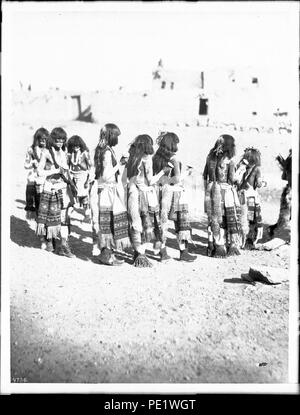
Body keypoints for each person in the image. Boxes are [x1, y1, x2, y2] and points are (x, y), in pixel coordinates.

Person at [90, 123, 130, 265]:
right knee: (108, 223)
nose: (118, 139)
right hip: (107, 191)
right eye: (117, 136)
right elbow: (106, 176)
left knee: (107, 222)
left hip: (105, 190)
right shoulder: (106, 152)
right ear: (111, 136)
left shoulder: (104, 149)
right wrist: (120, 163)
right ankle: (106, 256)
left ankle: (107, 254)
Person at [152, 132, 196, 262]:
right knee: (182, 225)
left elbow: (158, 177)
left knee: (161, 224)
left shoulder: (156, 157)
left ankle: (163, 252)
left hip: (161, 193)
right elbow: (176, 178)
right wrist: (187, 173)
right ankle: (184, 253)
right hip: (175, 194)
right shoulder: (174, 159)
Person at [126, 134, 169, 267]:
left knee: (136, 224)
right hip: (146, 195)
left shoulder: (132, 157)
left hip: (133, 193)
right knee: (149, 225)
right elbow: (150, 180)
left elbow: (128, 180)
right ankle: (145, 254)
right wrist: (163, 172)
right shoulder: (147, 159)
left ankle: (138, 252)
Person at [36, 127, 77, 257]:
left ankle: (64, 246)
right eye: (57, 140)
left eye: (62, 140)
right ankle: (49, 240)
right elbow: (39, 171)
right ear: (52, 140)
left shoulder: (65, 152)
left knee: (65, 218)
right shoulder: (46, 152)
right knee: (50, 217)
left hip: (63, 188)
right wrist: (54, 171)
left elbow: (67, 170)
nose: (60, 143)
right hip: (50, 187)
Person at [203, 134, 241, 258]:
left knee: (214, 219)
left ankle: (215, 246)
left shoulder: (210, 158)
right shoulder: (229, 162)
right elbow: (231, 179)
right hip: (225, 193)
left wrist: (208, 190)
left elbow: (205, 176)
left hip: (211, 190)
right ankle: (227, 247)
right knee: (225, 219)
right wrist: (240, 172)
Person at [235, 147, 266, 249]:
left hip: (245, 196)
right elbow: (258, 183)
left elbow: (258, 183)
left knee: (245, 219)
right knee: (247, 219)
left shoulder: (248, 168)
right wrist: (264, 183)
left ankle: (244, 241)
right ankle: (245, 241)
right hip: (247, 196)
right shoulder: (251, 168)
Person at [24, 127, 50, 220]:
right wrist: (32, 163)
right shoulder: (30, 149)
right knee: (32, 194)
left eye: (45, 139)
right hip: (34, 177)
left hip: (44, 178)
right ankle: (33, 212)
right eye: (41, 139)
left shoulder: (49, 150)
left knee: (43, 202)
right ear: (37, 139)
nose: (43, 141)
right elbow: (26, 165)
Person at [67, 135, 92, 220]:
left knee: (83, 194)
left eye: (77, 146)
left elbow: (90, 166)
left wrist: (88, 180)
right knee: (74, 192)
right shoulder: (70, 154)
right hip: (73, 174)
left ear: (80, 145)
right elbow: (68, 166)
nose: (75, 148)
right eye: (74, 146)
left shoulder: (84, 153)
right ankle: (73, 208)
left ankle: (87, 211)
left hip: (83, 175)